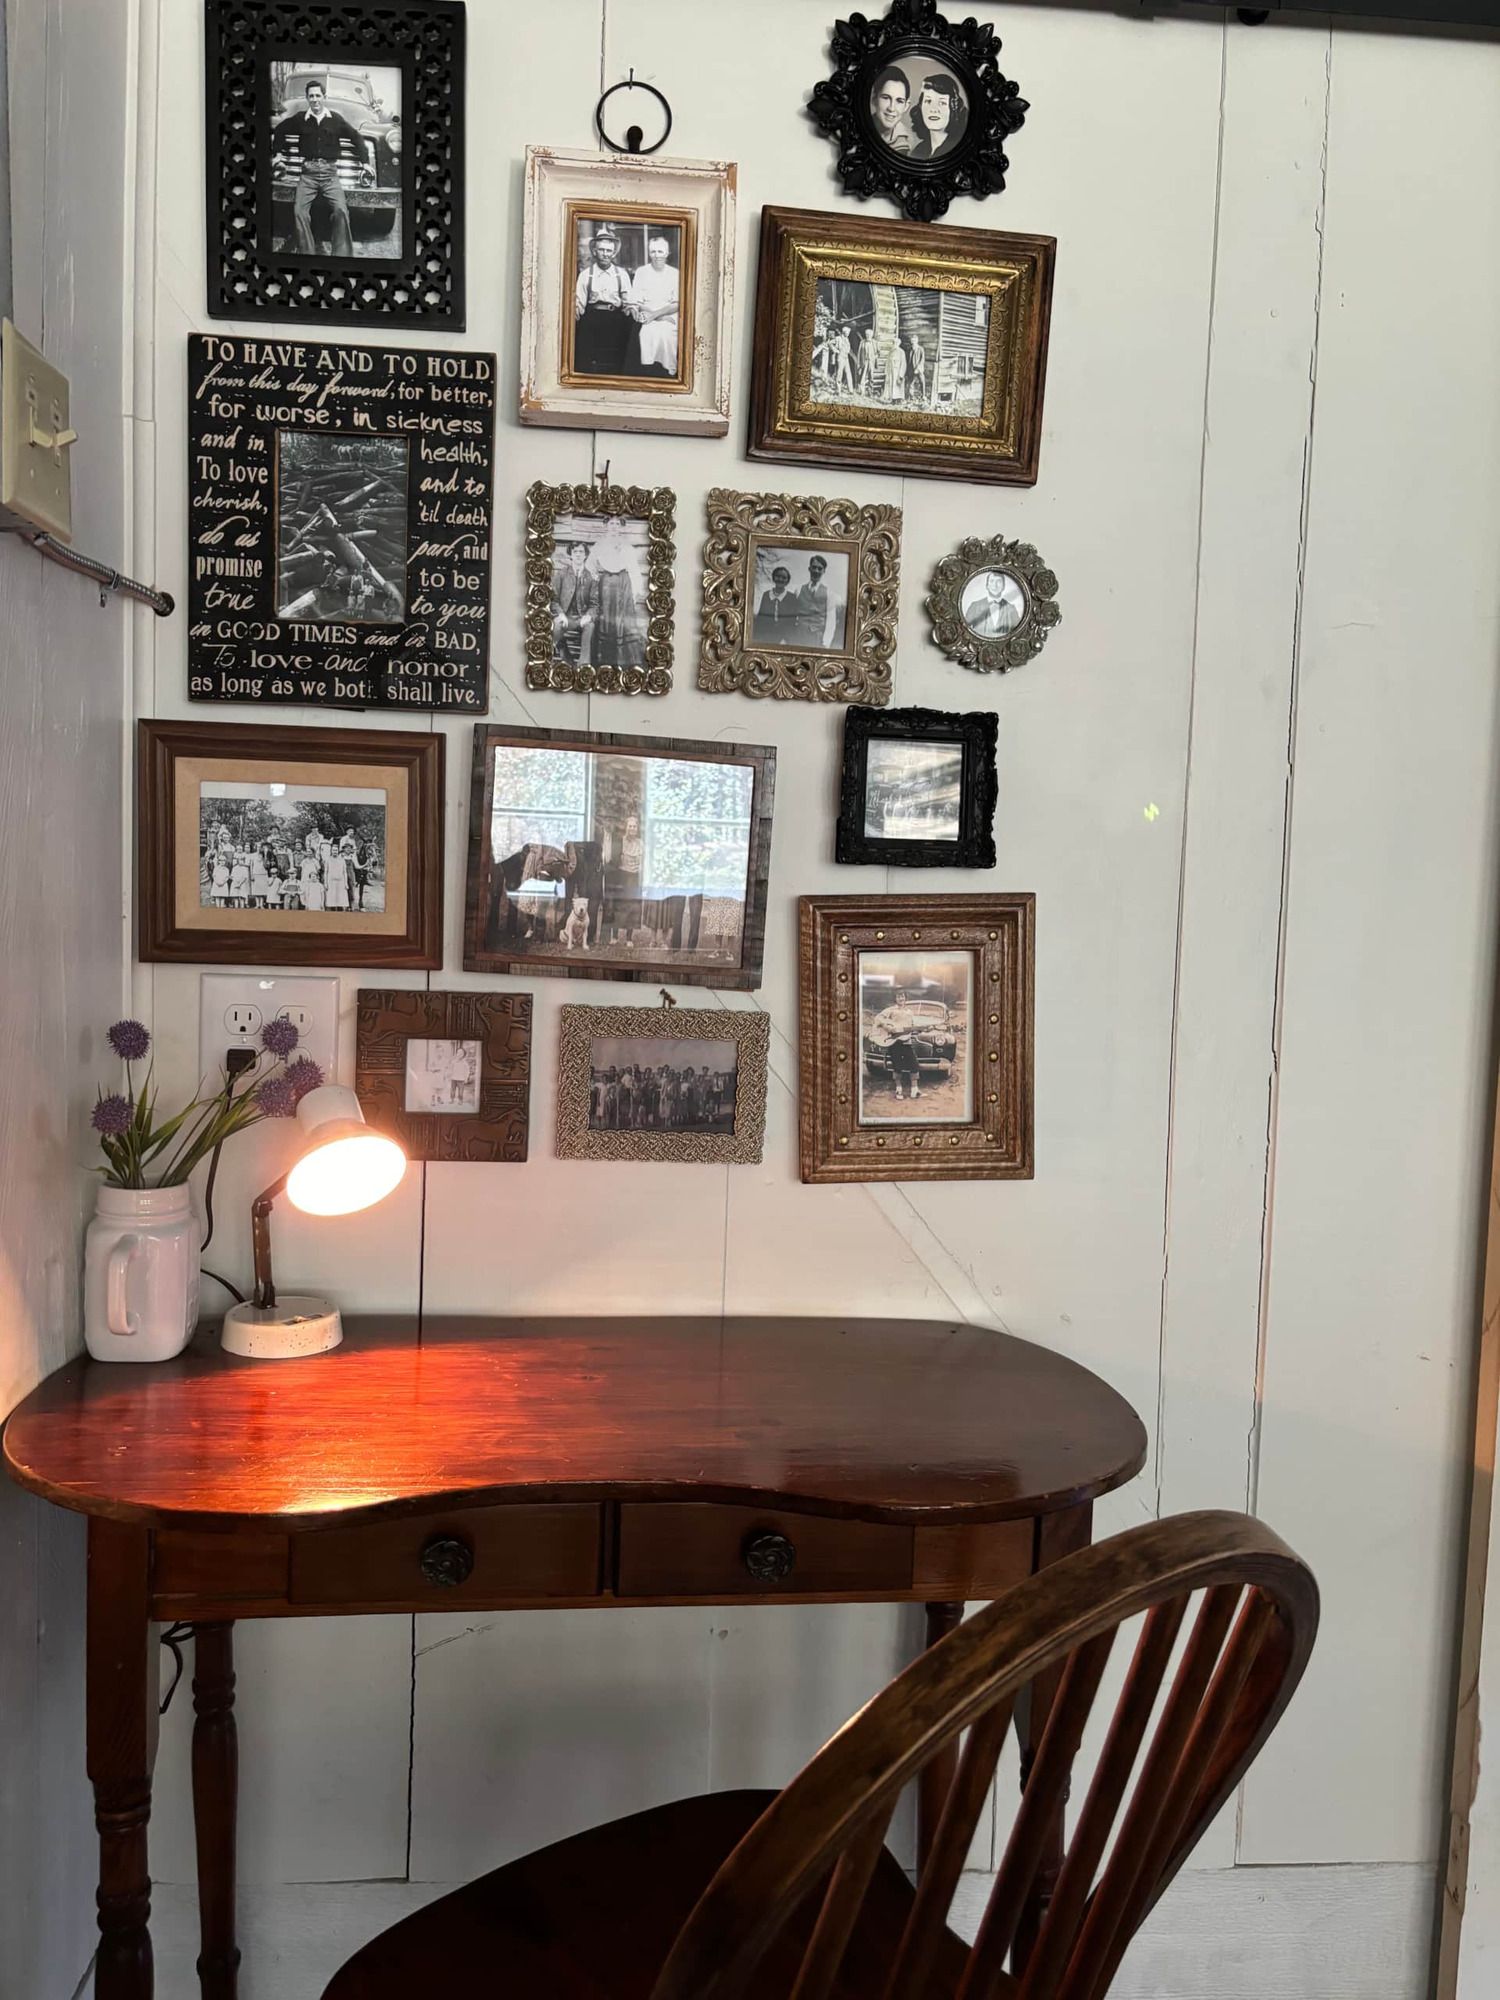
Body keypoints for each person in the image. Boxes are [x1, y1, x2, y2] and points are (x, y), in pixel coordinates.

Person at [272, 79, 372, 258]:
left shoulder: (335, 119)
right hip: (308, 174)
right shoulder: (300, 118)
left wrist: (365, 163)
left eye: (318, 95)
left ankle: (341, 257)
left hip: (330, 174)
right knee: (299, 212)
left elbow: (356, 137)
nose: (315, 99)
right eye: (311, 96)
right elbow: (279, 130)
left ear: (323, 97)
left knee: (341, 210)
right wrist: (278, 155)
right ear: (307, 98)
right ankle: (307, 255)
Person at [573, 224, 634, 376]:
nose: (605, 254)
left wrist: (631, 309)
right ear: (595, 251)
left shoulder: (622, 274)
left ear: (614, 253)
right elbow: (579, 302)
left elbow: (629, 301)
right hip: (592, 319)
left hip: (616, 320)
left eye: (609, 251)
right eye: (601, 250)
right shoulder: (586, 275)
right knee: (589, 359)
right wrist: (574, 312)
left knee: (615, 360)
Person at [592, 518, 644, 669]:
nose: (614, 527)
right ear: (606, 526)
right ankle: (605, 660)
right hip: (606, 583)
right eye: (611, 524)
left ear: (621, 527)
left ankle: (624, 660)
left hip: (623, 583)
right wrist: (596, 579)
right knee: (606, 618)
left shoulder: (627, 546)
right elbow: (590, 564)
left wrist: (636, 591)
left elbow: (633, 568)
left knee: (623, 618)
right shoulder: (599, 545)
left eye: (617, 524)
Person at [630, 235, 680, 376]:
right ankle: (648, 368)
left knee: (668, 334)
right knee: (646, 332)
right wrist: (653, 316)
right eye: (653, 252)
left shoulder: (675, 274)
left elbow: (677, 304)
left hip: (669, 314)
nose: (657, 255)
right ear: (649, 253)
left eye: (660, 251)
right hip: (647, 313)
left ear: (667, 253)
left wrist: (657, 315)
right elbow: (637, 301)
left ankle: (669, 369)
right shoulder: (641, 272)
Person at [551, 541, 598, 663]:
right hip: (566, 617)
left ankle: (583, 665)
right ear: (570, 555)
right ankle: (567, 659)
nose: (578, 555)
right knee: (556, 626)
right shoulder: (561, 574)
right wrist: (561, 614)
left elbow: (595, 604)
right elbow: (553, 600)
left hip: (582, 618)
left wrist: (588, 616)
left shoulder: (591, 577)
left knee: (591, 626)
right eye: (575, 552)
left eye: (581, 552)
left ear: (586, 555)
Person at [909, 72, 966, 160]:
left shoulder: (958, 148)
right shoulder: (918, 150)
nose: (934, 109)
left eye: (942, 103)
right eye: (928, 101)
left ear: (952, 109)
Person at [966, 569, 1025, 638]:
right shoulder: (975, 606)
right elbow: (964, 631)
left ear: (1003, 586)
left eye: (999, 582)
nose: (995, 585)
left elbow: (1018, 633)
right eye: (992, 581)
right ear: (987, 586)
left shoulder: (1011, 608)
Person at [753, 563, 799, 646]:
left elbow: (792, 622)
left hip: (784, 640)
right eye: (778, 576)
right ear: (773, 578)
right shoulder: (766, 595)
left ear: (787, 581)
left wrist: (786, 639)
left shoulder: (791, 598)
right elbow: (761, 618)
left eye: (784, 578)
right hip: (765, 638)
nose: (780, 579)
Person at [870, 65, 914, 152]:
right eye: (886, 98)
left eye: (899, 101)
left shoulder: (907, 142)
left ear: (906, 106)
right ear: (874, 99)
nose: (891, 108)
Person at [796, 554, 831, 649]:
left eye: (820, 568)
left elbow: (831, 620)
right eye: (814, 567)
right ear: (809, 568)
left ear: (824, 571)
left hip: (817, 638)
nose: (816, 571)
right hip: (798, 636)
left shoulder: (829, 592)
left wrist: (826, 642)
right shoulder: (799, 589)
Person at [888, 1031, 921, 1102]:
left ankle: (914, 1090)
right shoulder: (889, 1019)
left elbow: (914, 1029)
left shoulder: (908, 1019)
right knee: (897, 1066)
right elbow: (880, 1022)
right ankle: (898, 1090)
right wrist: (887, 1027)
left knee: (914, 1065)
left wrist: (920, 1029)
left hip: (906, 1043)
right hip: (893, 1042)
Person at [884, 334, 907, 405]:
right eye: (893, 343)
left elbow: (903, 364)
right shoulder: (891, 352)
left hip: (897, 372)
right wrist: (886, 371)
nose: (894, 344)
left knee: (898, 386)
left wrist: (901, 375)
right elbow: (887, 362)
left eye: (896, 343)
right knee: (891, 385)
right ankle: (893, 399)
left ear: (899, 344)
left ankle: (898, 400)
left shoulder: (901, 352)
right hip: (891, 372)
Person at [908, 331, 928, 405]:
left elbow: (922, 359)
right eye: (912, 340)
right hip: (911, 369)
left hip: (919, 369)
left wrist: (918, 368)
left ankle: (923, 396)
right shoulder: (909, 349)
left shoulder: (920, 349)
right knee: (910, 384)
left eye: (914, 340)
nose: (913, 341)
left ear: (917, 341)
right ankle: (911, 397)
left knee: (922, 382)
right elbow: (908, 360)